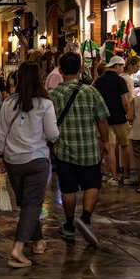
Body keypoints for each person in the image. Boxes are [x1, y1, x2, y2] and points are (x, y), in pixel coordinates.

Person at [0, 61, 59, 267]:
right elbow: (52, 134)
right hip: (37, 160)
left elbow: (2, 133)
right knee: (32, 204)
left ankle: (38, 240)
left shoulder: (8, 103)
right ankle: (18, 247)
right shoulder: (45, 104)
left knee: (27, 203)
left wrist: (0, 156)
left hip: (14, 161)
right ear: (39, 79)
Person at [49, 52, 110, 246]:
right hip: (89, 149)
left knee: (68, 188)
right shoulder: (91, 92)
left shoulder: (53, 95)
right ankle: (85, 219)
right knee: (92, 185)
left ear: (60, 69)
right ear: (79, 69)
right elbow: (102, 119)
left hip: (64, 149)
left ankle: (68, 225)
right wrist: (105, 142)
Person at [94, 55, 131, 185]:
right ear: (116, 66)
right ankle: (126, 176)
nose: (122, 69)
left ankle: (113, 176)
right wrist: (128, 113)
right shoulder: (120, 81)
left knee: (110, 147)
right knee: (125, 146)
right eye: (122, 66)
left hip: (105, 119)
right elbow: (125, 101)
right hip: (120, 118)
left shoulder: (99, 81)